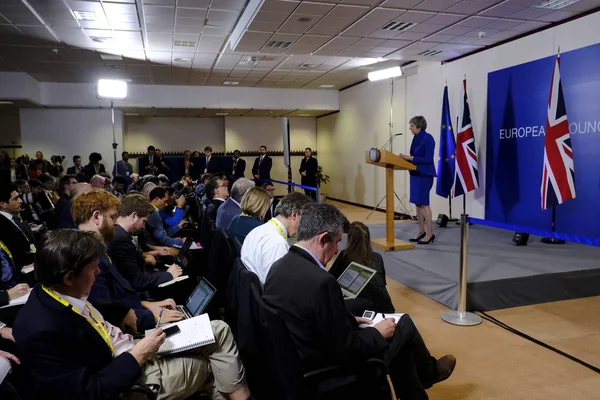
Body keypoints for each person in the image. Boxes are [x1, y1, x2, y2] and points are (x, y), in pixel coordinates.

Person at [13, 229, 251, 400]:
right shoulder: (43, 330)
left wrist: (133, 310)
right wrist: (139, 353)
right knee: (213, 362)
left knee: (217, 329)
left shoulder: (51, 292)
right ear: (68, 277)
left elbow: (93, 311)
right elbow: (90, 392)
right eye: (93, 268)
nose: (98, 272)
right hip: (130, 374)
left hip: (131, 348)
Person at [263, 202, 456, 399]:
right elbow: (345, 349)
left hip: (296, 363)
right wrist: (377, 332)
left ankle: (422, 384)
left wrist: (348, 319)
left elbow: (310, 317)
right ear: (322, 240)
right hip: (329, 371)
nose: (337, 250)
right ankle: (428, 373)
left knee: (402, 348)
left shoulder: (278, 267)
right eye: (337, 242)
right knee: (403, 324)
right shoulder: (321, 283)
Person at [110, 194, 182, 292]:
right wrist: (168, 275)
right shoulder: (120, 239)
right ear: (134, 216)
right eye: (143, 221)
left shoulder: (118, 233)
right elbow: (137, 281)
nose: (143, 227)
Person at [241, 192, 311, 284]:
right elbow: (278, 286)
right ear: (294, 215)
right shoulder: (278, 243)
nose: (304, 226)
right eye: (304, 220)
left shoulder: (257, 230)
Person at [330, 222, 395, 313]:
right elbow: (382, 284)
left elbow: (330, 280)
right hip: (382, 308)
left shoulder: (344, 256)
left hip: (355, 308)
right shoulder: (376, 258)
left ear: (350, 239)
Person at [399, 116, 437, 245]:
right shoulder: (416, 138)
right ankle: (421, 231)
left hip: (424, 174)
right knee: (418, 203)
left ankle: (430, 233)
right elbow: (415, 157)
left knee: (424, 203)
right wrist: (406, 158)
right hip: (415, 173)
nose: (410, 128)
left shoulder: (428, 138)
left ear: (419, 127)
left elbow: (428, 159)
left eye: (412, 126)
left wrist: (411, 157)